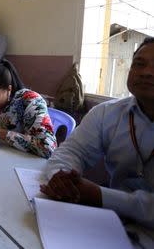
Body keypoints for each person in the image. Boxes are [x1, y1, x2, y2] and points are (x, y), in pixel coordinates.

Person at [42, 37, 154, 229]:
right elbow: (71, 151)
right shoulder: (107, 113)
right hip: (112, 224)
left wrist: (101, 196)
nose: (147, 72)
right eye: (139, 64)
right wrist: (63, 178)